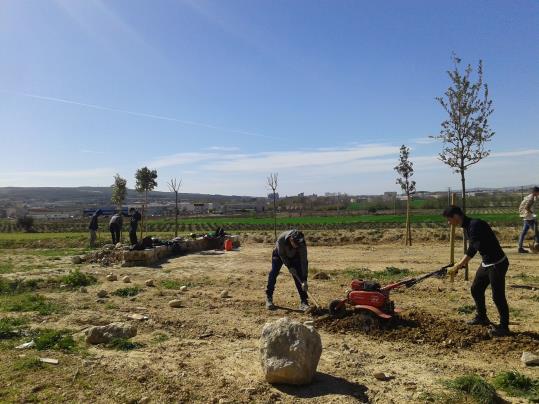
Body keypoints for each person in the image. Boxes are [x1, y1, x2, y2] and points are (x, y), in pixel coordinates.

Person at [443, 206, 510, 337]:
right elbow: (473, 245)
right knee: (476, 289)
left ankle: (504, 327)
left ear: (456, 216)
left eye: (449, 219)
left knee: (498, 296)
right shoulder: (469, 226)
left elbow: (474, 248)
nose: (449, 223)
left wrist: (458, 265)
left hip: (497, 263)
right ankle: (482, 317)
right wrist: (460, 265)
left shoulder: (475, 225)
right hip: (487, 263)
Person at [265, 229, 309, 311]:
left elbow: (304, 261)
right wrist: (289, 266)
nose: (297, 247)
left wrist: (304, 279)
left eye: (299, 245)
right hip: (279, 255)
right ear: (291, 239)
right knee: (274, 272)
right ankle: (269, 297)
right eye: (296, 245)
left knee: (298, 275)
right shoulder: (281, 240)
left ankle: (304, 301)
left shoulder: (301, 243)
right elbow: (282, 254)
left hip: (294, 256)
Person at [518, 186, 539, 253]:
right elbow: (527, 208)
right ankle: (536, 247)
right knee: (536, 232)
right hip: (529, 217)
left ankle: (520, 248)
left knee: (523, 233)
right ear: (535, 192)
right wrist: (533, 214)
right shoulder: (531, 198)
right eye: (538, 192)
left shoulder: (531, 196)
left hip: (526, 217)